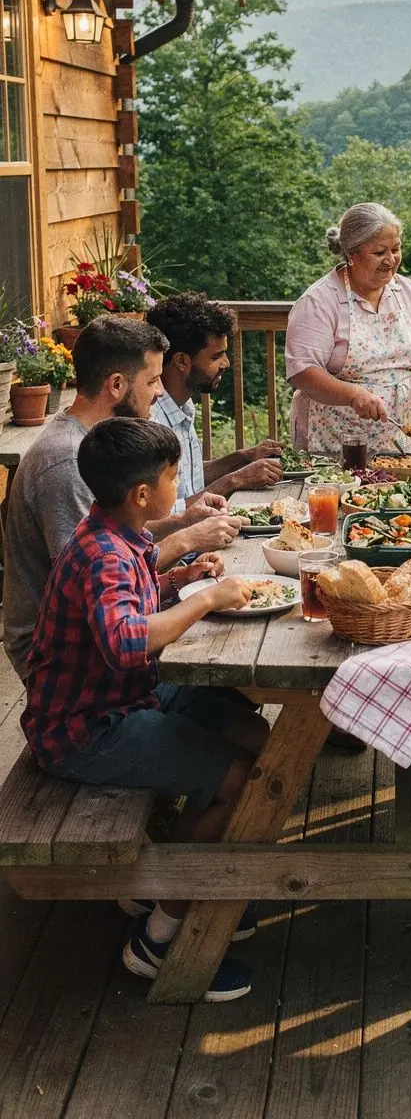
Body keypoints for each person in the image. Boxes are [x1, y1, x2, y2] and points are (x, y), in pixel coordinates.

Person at [22, 418, 270, 1001]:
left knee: (259, 740)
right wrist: (207, 597)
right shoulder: (104, 553)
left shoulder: (115, 535)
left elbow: (132, 597)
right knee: (237, 780)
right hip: (87, 727)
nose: (176, 485)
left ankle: (175, 879)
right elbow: (127, 640)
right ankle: (159, 940)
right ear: (141, 495)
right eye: (170, 476)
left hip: (125, 696)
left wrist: (183, 577)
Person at [2, 317, 244, 683]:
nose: (160, 392)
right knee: (227, 654)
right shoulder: (68, 462)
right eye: (151, 381)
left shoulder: (95, 444)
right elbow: (94, 573)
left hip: (105, 625)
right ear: (116, 385)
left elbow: (114, 541)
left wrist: (182, 529)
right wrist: (186, 541)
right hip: (63, 657)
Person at [285, 203, 411, 457]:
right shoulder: (319, 301)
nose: (391, 259)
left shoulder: (409, 293)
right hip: (338, 439)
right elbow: (303, 372)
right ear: (352, 254)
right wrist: (353, 395)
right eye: (380, 252)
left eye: (396, 249)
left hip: (406, 435)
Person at [150, 293, 283, 504]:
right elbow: (164, 517)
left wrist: (244, 457)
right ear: (182, 361)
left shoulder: (181, 405)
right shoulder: (152, 424)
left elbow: (189, 476)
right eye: (215, 356)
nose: (226, 363)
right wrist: (234, 480)